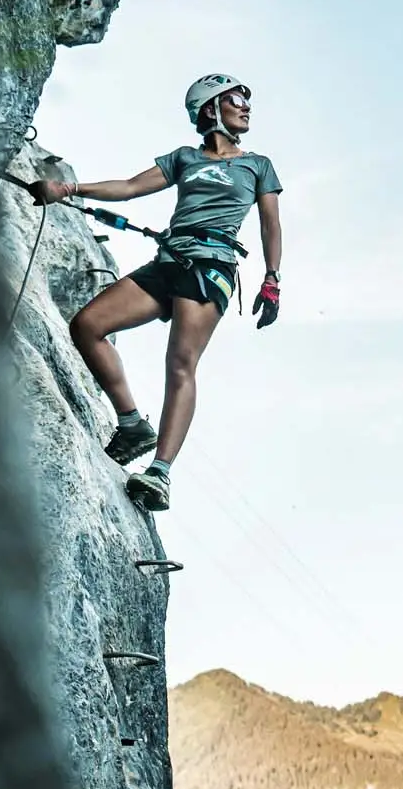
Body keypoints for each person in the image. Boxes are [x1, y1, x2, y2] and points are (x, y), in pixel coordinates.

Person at [30, 73, 283, 512]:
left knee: (180, 363)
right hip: (169, 261)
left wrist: (272, 278)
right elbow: (129, 188)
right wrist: (67, 189)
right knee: (88, 325)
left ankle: (160, 473)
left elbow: (269, 223)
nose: (246, 107)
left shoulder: (257, 165)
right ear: (211, 109)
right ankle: (131, 425)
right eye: (237, 99)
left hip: (210, 267)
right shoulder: (184, 158)